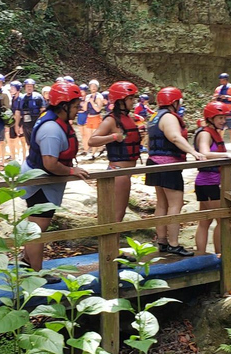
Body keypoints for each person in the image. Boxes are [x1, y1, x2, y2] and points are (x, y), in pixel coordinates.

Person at [21, 82, 89, 282]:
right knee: (37, 229)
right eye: (75, 106)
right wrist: (71, 170)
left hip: (44, 183)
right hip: (40, 184)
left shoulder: (56, 121)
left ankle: (27, 262)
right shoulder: (51, 128)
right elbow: (49, 163)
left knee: (36, 226)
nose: (78, 111)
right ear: (63, 106)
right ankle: (36, 273)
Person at [146, 87, 205, 256]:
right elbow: (174, 137)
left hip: (155, 163)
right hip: (168, 166)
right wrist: (193, 152)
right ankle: (173, 243)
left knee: (162, 203)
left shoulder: (154, 117)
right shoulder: (170, 117)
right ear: (174, 102)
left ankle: (162, 241)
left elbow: (150, 142)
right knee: (175, 204)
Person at [88, 81, 141, 225]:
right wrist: (113, 137)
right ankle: (110, 247)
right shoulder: (111, 120)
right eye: (130, 98)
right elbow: (92, 141)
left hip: (124, 173)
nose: (133, 101)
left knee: (117, 216)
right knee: (116, 217)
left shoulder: (127, 118)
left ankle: (111, 247)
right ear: (120, 101)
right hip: (118, 173)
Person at [193, 102, 231, 254]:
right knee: (221, 219)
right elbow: (204, 153)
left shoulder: (214, 132)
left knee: (205, 220)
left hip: (208, 182)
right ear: (210, 118)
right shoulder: (205, 133)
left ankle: (202, 254)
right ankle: (220, 255)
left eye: (223, 117)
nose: (222, 121)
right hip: (208, 182)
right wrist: (228, 154)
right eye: (219, 117)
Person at [213, 73, 231, 147]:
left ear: (226, 80)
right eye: (221, 80)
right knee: (220, 129)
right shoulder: (218, 89)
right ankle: (220, 144)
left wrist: (227, 97)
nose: (221, 82)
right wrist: (217, 97)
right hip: (220, 111)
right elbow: (214, 97)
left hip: (229, 110)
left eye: (223, 80)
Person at [16, 78, 44, 146]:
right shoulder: (21, 98)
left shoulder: (38, 97)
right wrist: (17, 125)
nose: (29, 88)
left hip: (36, 121)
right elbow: (18, 112)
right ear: (25, 87)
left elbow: (43, 109)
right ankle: (31, 155)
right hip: (26, 123)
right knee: (29, 143)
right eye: (27, 86)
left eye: (31, 86)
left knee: (37, 141)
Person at [84, 80, 106, 158]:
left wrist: (92, 102)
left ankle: (93, 154)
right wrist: (86, 102)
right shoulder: (87, 96)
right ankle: (91, 150)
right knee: (88, 136)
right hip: (89, 117)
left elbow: (98, 109)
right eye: (91, 86)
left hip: (96, 117)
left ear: (97, 87)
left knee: (94, 136)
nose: (93, 88)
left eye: (95, 86)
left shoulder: (99, 97)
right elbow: (84, 109)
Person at [7, 81, 25, 162]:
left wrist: (21, 126)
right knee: (11, 140)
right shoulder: (13, 98)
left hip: (20, 121)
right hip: (13, 121)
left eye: (13, 88)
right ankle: (14, 159)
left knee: (23, 141)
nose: (11, 89)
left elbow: (22, 112)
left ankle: (24, 159)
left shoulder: (21, 98)